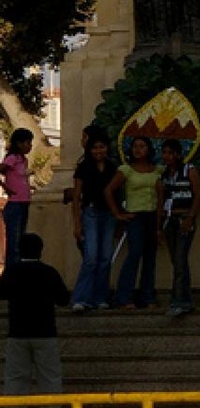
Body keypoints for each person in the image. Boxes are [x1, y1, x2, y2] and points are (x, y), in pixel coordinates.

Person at [0, 234, 70, 408]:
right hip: (45, 333)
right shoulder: (49, 273)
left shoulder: (12, 272)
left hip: (18, 333)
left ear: (19, 250)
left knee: (15, 377)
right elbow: (63, 299)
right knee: (50, 378)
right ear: (41, 250)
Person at [106, 137, 163, 311]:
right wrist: (118, 214)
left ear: (149, 149)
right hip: (135, 216)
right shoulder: (126, 170)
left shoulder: (158, 170)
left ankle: (147, 295)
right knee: (134, 254)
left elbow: (161, 197)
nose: (138, 150)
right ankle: (124, 296)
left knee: (150, 258)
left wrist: (159, 223)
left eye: (142, 146)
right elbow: (108, 190)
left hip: (152, 215)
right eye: (135, 147)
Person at [68, 127, 119, 312]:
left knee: (105, 257)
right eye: (95, 147)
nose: (99, 151)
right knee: (90, 257)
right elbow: (76, 196)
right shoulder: (83, 167)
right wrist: (77, 223)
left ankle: (100, 297)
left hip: (108, 215)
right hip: (90, 213)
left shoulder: (113, 167)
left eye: (102, 147)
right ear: (89, 149)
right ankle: (81, 298)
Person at [158, 139, 200, 317]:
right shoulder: (164, 175)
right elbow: (161, 200)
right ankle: (184, 298)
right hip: (170, 218)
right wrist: (159, 227)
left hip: (184, 217)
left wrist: (190, 217)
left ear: (177, 154)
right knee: (176, 261)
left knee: (181, 258)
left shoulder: (189, 170)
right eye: (164, 153)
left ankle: (180, 300)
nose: (166, 156)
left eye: (170, 153)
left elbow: (198, 194)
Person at [1, 128, 33, 270]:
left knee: (20, 241)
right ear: (19, 143)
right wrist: (5, 187)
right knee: (13, 243)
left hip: (24, 203)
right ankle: (11, 273)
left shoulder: (23, 160)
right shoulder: (12, 158)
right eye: (27, 143)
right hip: (15, 204)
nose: (30, 146)